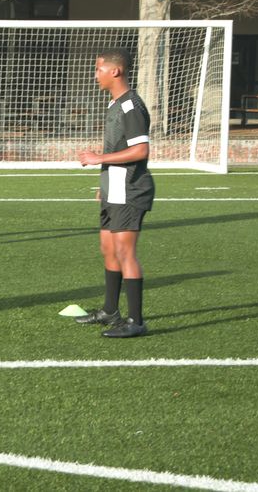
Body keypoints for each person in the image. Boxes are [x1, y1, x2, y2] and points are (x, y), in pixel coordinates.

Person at [76, 48, 154, 338]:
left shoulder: (131, 106)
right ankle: (110, 310)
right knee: (108, 249)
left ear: (115, 71)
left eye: (98, 69)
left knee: (125, 252)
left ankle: (136, 321)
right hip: (114, 189)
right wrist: (105, 184)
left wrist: (99, 159)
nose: (95, 75)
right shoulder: (115, 104)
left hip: (130, 190)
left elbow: (140, 150)